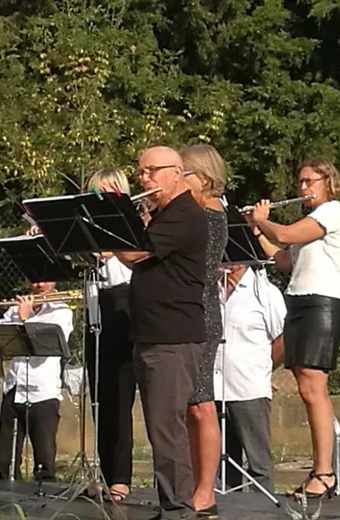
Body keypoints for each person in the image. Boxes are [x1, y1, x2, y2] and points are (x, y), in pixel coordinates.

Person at [247, 158, 340, 501]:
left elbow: (288, 234)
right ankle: (321, 471)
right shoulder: (310, 220)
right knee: (305, 387)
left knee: (313, 388)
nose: (303, 188)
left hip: (320, 304)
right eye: (301, 182)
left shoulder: (333, 211)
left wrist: (266, 220)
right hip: (299, 301)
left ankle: (325, 472)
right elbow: (285, 260)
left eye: (310, 181)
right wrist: (258, 230)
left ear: (327, 181)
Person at [116, 146, 208, 519]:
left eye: (152, 171)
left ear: (177, 173)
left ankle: (178, 508)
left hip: (171, 337)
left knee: (166, 427)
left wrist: (107, 229)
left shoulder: (184, 214)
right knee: (159, 426)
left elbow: (137, 255)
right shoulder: (164, 214)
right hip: (152, 333)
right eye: (141, 172)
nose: (145, 179)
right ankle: (170, 502)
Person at [0, 281, 74, 481]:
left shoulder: (62, 311)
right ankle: (9, 502)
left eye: (45, 280)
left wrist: (26, 318)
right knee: (5, 462)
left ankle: (43, 503)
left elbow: (45, 348)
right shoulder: (15, 308)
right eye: (35, 280)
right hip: (14, 388)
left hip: (43, 393)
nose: (40, 285)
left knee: (44, 460)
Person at [82, 168, 137, 502]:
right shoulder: (86, 224)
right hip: (95, 306)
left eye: (107, 192)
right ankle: (102, 472)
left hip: (123, 303)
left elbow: (135, 265)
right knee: (99, 398)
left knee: (119, 397)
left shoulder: (131, 222)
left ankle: (121, 476)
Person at [180, 144, 228, 515]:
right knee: (189, 405)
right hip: (183, 309)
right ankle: (193, 484)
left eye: (186, 174)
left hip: (202, 310)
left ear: (206, 178)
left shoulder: (210, 215)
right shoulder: (189, 213)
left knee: (202, 402)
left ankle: (206, 491)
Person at [214, 264, 285, 493]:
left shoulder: (265, 293)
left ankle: (261, 511)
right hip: (213, 389)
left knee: (258, 462)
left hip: (249, 389)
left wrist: (264, 366)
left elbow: (283, 338)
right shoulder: (208, 290)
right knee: (219, 464)